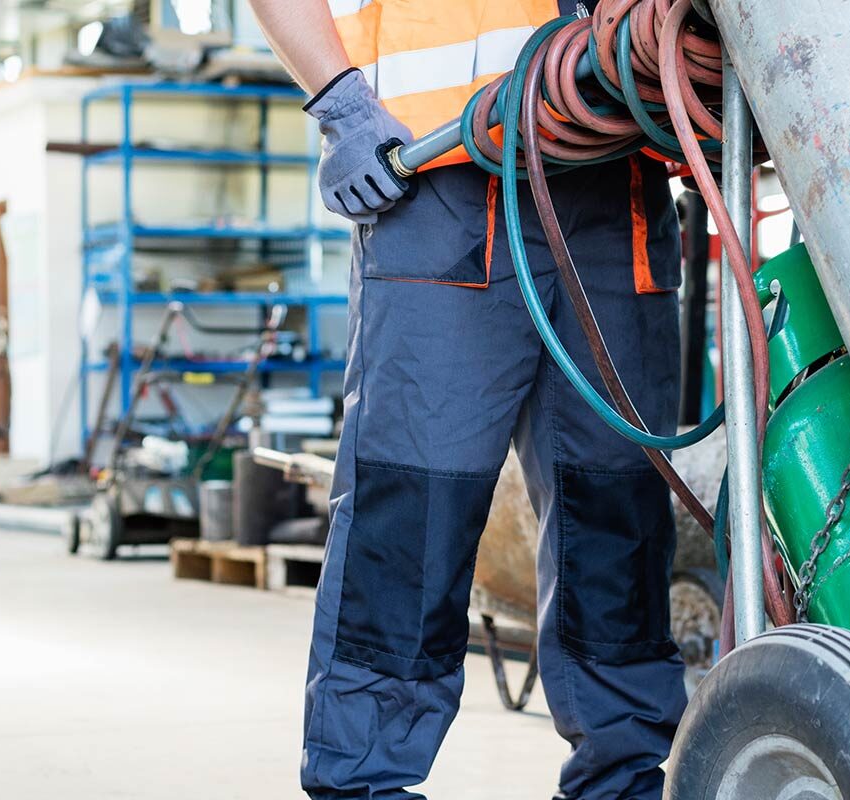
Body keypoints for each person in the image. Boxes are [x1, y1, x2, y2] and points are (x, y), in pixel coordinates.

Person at [250, 2, 686, 797]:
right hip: (438, 178)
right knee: (412, 510)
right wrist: (340, 104)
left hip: (616, 178)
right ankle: (365, 783)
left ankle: (622, 781)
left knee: (618, 506)